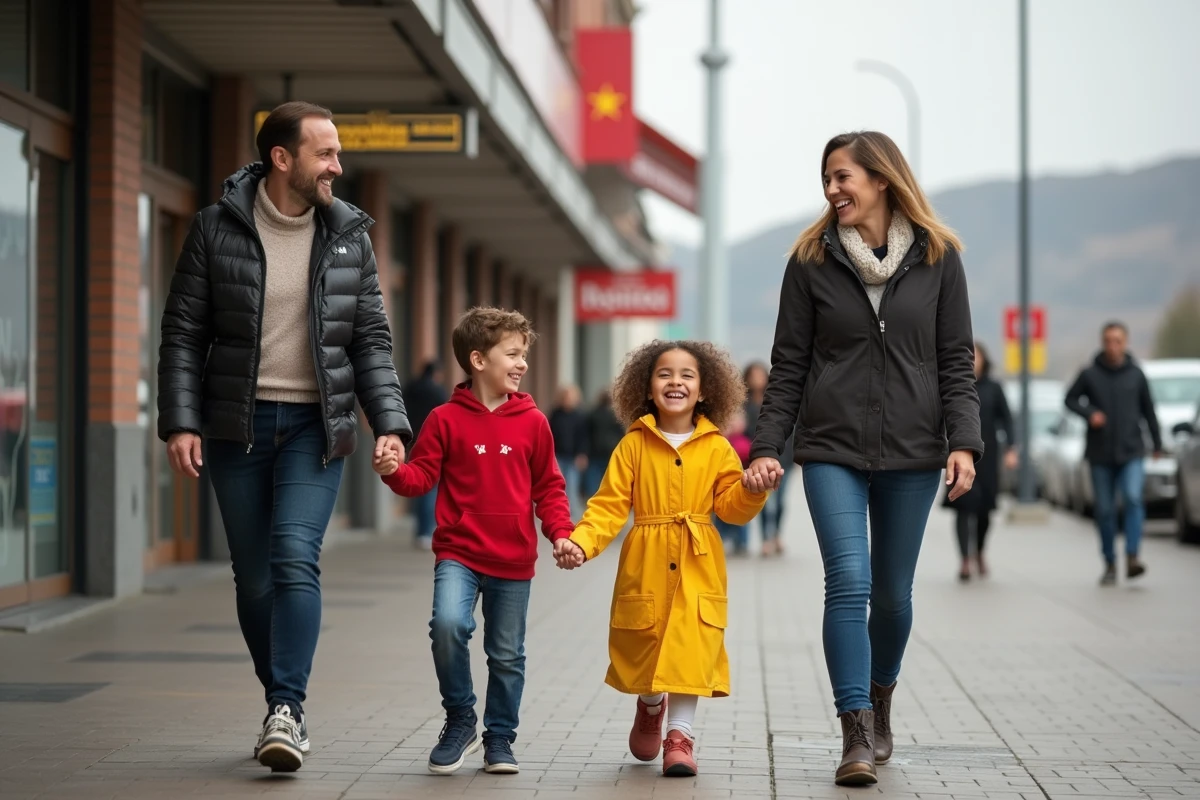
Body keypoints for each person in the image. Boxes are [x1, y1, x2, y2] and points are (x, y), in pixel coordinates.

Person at [157, 101, 411, 773]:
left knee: (295, 554)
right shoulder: (214, 229)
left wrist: (390, 422)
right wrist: (180, 419)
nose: (338, 165)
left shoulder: (350, 235)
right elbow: (183, 333)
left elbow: (371, 342)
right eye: (326, 153)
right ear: (283, 159)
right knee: (254, 577)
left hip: (312, 428)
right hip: (236, 425)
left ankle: (287, 710)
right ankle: (281, 700)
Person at [745, 131, 982, 786]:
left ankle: (880, 696)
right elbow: (788, 365)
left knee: (894, 597)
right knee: (848, 580)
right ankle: (853, 730)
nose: (832, 190)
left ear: (881, 179)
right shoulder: (810, 262)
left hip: (913, 449)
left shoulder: (939, 259)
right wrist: (768, 446)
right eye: (827, 179)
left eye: (843, 176)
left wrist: (963, 441)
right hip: (831, 448)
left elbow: (956, 363)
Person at [554, 340, 770, 778]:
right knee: (646, 641)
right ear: (647, 389)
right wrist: (582, 542)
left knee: (691, 646)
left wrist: (752, 488)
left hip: (698, 560)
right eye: (664, 374)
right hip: (646, 560)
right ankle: (651, 705)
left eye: (687, 375)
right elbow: (609, 505)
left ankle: (680, 735)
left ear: (705, 389)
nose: (676, 382)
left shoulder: (717, 446)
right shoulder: (633, 444)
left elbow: (729, 507)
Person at [373, 307, 574, 776]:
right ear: (479, 360)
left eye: (524, 354)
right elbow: (420, 477)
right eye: (513, 353)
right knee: (447, 625)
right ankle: (460, 718)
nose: (522, 363)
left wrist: (561, 534)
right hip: (458, 553)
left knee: (506, 656)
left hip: (514, 558)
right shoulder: (445, 419)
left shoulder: (534, 423)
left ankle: (499, 739)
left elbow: (549, 487)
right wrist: (393, 473)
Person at [1064, 321, 1162, 585]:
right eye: (1108, 341)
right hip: (1100, 453)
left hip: (1132, 450)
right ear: (1102, 342)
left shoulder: (1136, 374)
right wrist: (1090, 414)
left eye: (1118, 341)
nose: (1113, 346)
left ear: (1125, 342)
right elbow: (1069, 399)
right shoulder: (1090, 374)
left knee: (1132, 498)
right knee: (1105, 510)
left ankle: (1132, 556)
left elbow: (1149, 410)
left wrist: (1157, 443)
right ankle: (1109, 561)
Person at [942, 342, 1016, 581]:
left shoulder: (994, 388)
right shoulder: (951, 387)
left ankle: (980, 551)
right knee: (963, 508)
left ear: (984, 359)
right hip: (959, 454)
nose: (972, 360)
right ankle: (964, 560)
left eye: (976, 356)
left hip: (988, 456)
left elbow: (1007, 419)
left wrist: (1011, 449)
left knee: (984, 511)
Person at [744, 361, 794, 556]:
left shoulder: (777, 402)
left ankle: (777, 534)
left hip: (784, 458)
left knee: (780, 501)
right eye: (753, 375)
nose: (757, 379)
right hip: (756, 457)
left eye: (760, 375)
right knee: (763, 500)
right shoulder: (743, 403)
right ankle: (765, 538)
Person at [403, 361, 450, 549]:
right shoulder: (437, 392)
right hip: (432, 444)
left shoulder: (410, 388)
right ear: (436, 374)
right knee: (431, 488)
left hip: (412, 441)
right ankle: (425, 531)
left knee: (418, 484)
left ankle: (420, 530)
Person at [715, 407, 753, 555]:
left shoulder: (745, 439)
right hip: (723, 484)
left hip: (741, 481)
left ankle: (742, 542)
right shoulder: (722, 440)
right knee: (721, 516)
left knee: (742, 516)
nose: (733, 424)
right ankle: (722, 538)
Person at [548, 385, 589, 519]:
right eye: (566, 397)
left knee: (572, 485)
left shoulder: (580, 416)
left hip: (573, 456)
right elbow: (549, 435)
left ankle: (572, 514)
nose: (568, 400)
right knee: (558, 485)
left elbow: (584, 437)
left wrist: (582, 454)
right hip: (558, 455)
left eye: (571, 398)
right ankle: (559, 511)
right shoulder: (555, 415)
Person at [582, 389, 624, 502]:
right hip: (610, 451)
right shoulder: (616, 416)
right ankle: (608, 501)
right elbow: (621, 434)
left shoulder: (592, 414)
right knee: (610, 479)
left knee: (593, 480)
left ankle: (593, 502)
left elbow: (586, 434)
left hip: (594, 451)